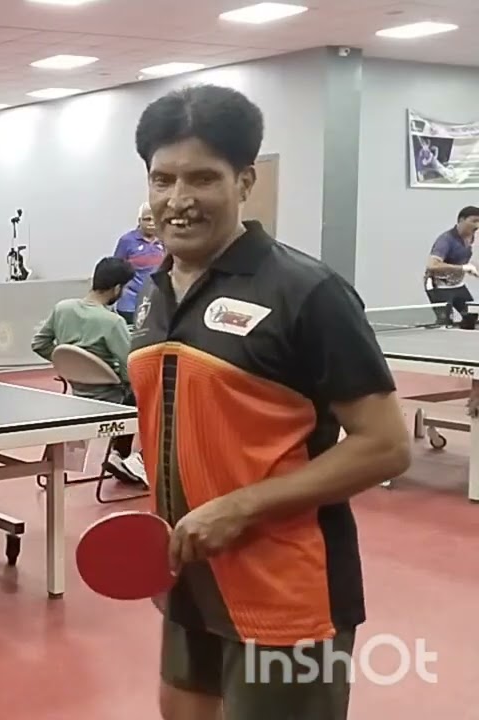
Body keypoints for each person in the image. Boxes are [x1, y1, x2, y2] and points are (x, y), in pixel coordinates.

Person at [128, 84, 411, 720]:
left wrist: (240, 506)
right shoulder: (153, 294)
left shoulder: (306, 291)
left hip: (287, 587)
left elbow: (386, 445)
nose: (178, 200)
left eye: (202, 178)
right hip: (188, 577)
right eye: (162, 178)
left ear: (244, 180)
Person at [31, 256, 146, 485]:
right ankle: (124, 457)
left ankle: (119, 456)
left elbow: (39, 344)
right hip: (110, 398)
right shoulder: (113, 322)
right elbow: (129, 367)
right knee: (149, 395)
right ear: (117, 288)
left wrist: (69, 365)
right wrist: (111, 375)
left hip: (76, 392)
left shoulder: (62, 308)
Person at [423, 205, 479, 325]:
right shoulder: (445, 240)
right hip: (439, 287)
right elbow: (432, 265)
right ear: (461, 220)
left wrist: (471, 268)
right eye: (474, 221)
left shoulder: (470, 236)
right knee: (445, 322)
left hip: (457, 284)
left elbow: (460, 259)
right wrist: (463, 268)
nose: (477, 225)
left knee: (472, 316)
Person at [112, 202, 166, 324]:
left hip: (156, 300)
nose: (151, 223)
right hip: (130, 302)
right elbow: (116, 269)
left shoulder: (164, 240)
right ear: (139, 220)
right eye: (147, 219)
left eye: (154, 219)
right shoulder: (127, 241)